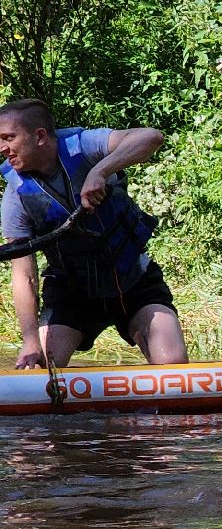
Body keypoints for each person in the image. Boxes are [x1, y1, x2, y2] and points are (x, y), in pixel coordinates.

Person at [0, 98, 186, 370]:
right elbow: (24, 276)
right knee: (40, 370)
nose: (2, 148)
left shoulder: (84, 145)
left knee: (173, 365)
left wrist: (100, 171)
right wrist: (30, 342)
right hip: (72, 292)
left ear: (39, 136)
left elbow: (151, 137)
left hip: (133, 282)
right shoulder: (16, 197)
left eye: (8, 138)